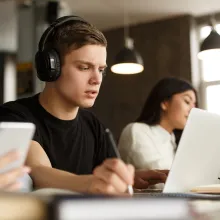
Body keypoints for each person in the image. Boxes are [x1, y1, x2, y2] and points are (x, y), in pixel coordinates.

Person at [0, 15, 167, 195]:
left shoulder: (93, 126)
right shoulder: (15, 116)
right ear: (51, 68)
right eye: (84, 67)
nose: (97, 80)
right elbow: (39, 172)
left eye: (101, 70)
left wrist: (125, 179)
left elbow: (104, 177)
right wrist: (93, 182)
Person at [118, 77, 197, 174]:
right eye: (187, 101)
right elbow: (159, 182)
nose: (193, 110)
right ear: (165, 103)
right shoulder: (137, 131)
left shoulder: (173, 140)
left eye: (194, 105)